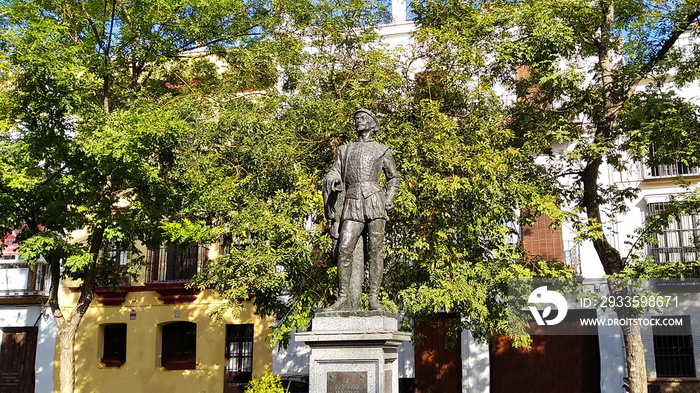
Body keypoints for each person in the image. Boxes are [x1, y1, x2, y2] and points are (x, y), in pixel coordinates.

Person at [322, 108, 400, 311]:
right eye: (356, 118)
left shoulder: (382, 150)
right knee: (344, 248)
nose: (358, 121)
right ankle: (343, 299)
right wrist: (333, 181)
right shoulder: (344, 150)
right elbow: (333, 173)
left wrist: (390, 198)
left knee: (375, 252)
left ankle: (373, 299)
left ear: (372, 124)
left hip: (375, 200)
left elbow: (393, 178)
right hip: (352, 200)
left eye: (363, 118)